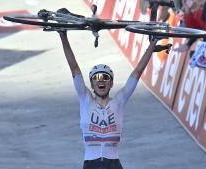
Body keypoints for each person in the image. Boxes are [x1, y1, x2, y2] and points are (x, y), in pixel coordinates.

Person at [58, 30, 162, 169]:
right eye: (97, 78)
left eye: (105, 78)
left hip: (113, 164)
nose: (101, 81)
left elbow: (137, 72)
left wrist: (152, 44)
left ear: (111, 83)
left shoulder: (119, 101)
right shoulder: (85, 99)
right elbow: (74, 68)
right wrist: (63, 36)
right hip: (91, 164)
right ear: (92, 84)